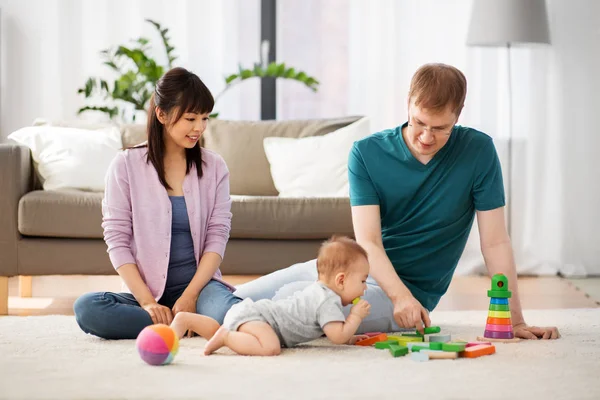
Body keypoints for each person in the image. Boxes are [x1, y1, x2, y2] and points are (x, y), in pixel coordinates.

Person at [235, 63, 560, 340]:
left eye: (440, 128)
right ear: (408, 104)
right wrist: (398, 296)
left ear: (458, 116)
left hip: (405, 293)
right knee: (233, 299)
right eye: (419, 122)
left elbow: (495, 243)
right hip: (345, 271)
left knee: (290, 311)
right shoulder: (366, 153)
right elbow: (369, 241)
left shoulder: (478, 152)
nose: (426, 137)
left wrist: (515, 320)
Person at [73, 67, 241, 339]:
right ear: (161, 114)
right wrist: (147, 303)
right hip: (149, 293)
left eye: (204, 118)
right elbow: (116, 238)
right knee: (88, 309)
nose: (199, 127)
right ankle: (182, 324)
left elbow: (217, 237)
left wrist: (190, 296)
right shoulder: (126, 165)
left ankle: (188, 319)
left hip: (199, 291)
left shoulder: (215, 167)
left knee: (234, 314)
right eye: (190, 118)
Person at [170, 236, 371, 356]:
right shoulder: (328, 300)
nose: (365, 288)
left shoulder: (318, 290)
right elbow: (337, 336)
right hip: (260, 319)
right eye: (362, 281)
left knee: (223, 325)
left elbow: (333, 330)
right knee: (270, 347)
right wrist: (355, 317)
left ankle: (188, 320)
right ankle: (227, 337)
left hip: (252, 312)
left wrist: (351, 338)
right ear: (341, 280)